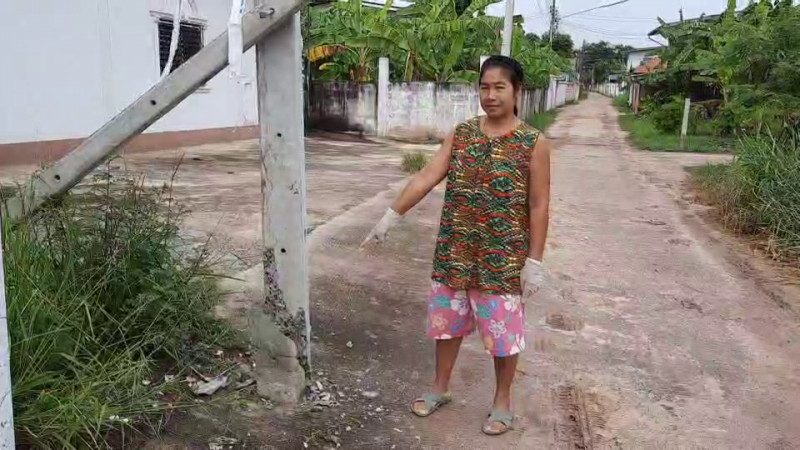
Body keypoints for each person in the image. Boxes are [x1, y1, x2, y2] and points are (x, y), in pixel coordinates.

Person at [361, 55, 551, 436]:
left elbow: (539, 203)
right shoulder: (462, 134)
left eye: (500, 87)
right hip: (455, 252)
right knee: (446, 326)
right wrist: (390, 216)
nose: (491, 95)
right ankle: (439, 388)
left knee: (502, 332)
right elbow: (427, 176)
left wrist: (535, 260)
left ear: (518, 91)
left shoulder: (533, 142)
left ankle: (502, 400)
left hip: (503, 258)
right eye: (484, 87)